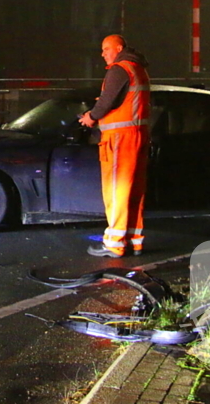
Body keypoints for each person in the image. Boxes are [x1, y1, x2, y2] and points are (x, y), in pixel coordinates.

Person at [79, 34, 151, 258]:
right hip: (138, 135)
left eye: (106, 49)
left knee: (116, 190)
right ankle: (134, 239)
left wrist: (91, 117)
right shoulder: (138, 68)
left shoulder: (119, 69)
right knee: (133, 190)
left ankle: (114, 243)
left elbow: (107, 100)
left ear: (118, 48)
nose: (103, 53)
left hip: (120, 138)